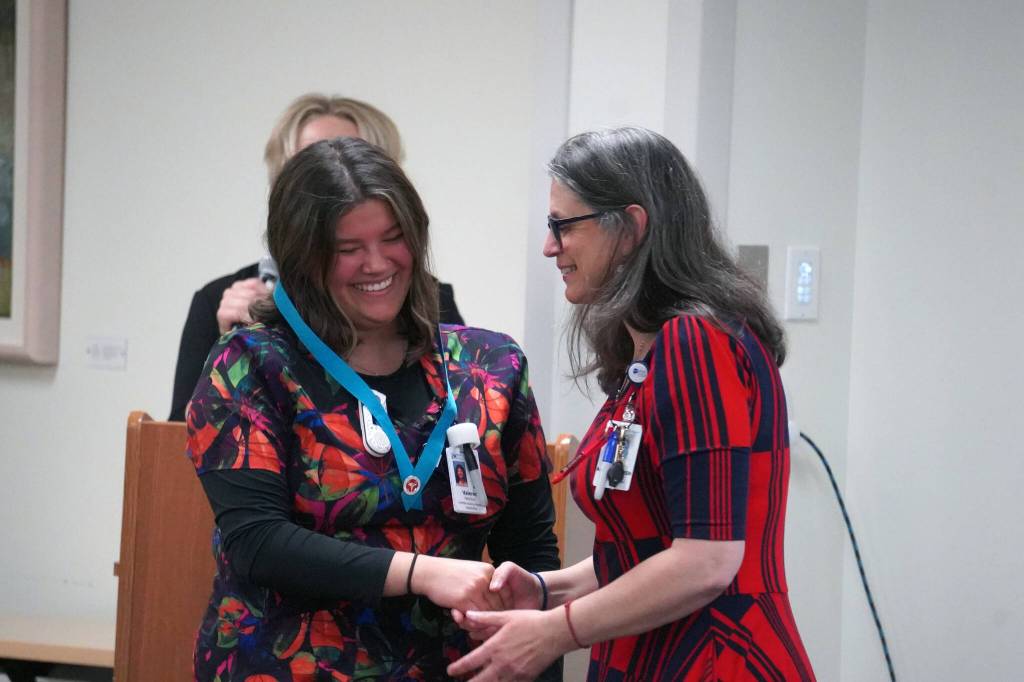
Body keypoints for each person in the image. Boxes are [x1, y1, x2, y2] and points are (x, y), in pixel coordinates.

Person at [448, 127, 815, 681]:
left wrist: (555, 632)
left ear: (631, 228)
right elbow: (646, 548)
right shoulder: (656, 350)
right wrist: (548, 589)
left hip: (713, 659)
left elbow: (705, 562)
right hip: (657, 654)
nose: (550, 247)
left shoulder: (697, 342)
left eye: (562, 225)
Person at [186, 137, 559, 679]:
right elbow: (257, 542)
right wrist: (422, 572)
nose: (377, 263)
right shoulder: (251, 363)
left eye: (393, 238)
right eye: (348, 248)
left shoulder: (490, 365)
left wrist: (537, 659)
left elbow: (529, 552)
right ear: (302, 256)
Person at [170, 93, 463, 421]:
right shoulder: (220, 302)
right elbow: (180, 448)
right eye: (309, 165)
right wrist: (236, 355)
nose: (334, 178)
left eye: (351, 161)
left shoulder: (432, 300)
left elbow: (465, 426)